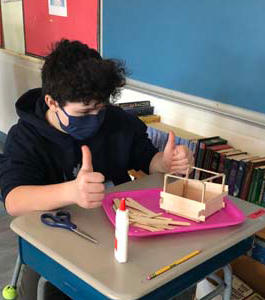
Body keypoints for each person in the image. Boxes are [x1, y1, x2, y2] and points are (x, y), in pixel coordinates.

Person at [0, 39, 194, 300]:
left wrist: (165, 163)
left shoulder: (116, 120)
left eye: (100, 108)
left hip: (117, 231)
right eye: (84, 112)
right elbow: (14, 200)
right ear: (52, 101)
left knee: (173, 279)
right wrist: (71, 192)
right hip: (57, 237)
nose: (95, 117)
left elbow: (147, 159)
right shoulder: (26, 138)